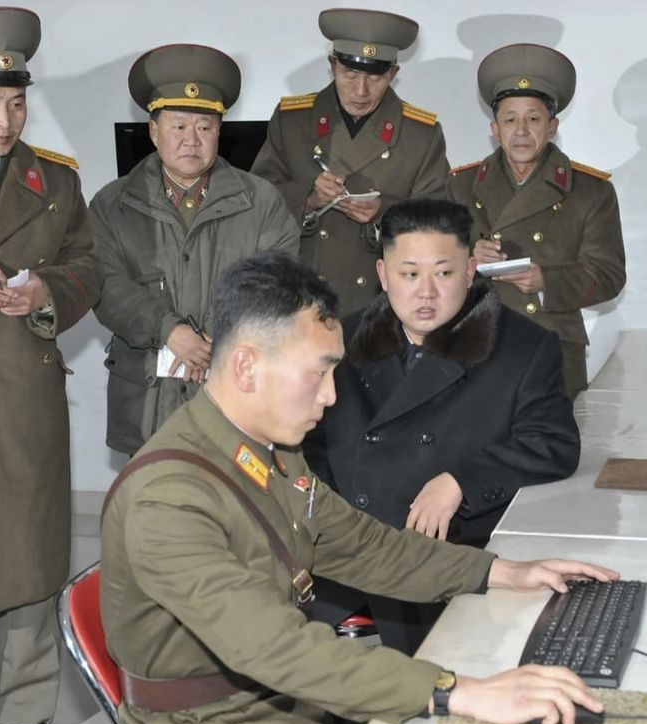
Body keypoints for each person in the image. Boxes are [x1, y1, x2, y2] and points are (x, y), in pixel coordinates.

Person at [100, 253, 616, 724]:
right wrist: (457, 693)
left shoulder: (269, 452)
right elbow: (274, 646)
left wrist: (499, 572)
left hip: (288, 708)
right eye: (319, 372)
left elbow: (364, 546)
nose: (330, 395)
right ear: (247, 367)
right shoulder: (168, 498)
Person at [304, 198, 581, 654]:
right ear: (382, 275)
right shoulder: (341, 341)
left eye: (444, 273)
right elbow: (305, 443)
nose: (426, 293)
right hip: (343, 568)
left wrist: (461, 481)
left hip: (446, 572)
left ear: (471, 271)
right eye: (410, 274)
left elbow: (553, 443)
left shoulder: (523, 347)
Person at [0, 7, 103, 724]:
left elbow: (88, 267)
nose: (5, 120)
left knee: (29, 550)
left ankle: (26, 702)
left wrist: (47, 291)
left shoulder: (55, 180)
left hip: (24, 392)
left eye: (16, 103)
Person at [91, 44, 299, 454]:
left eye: (204, 127)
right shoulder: (112, 205)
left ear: (220, 130)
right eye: (178, 126)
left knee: (237, 493)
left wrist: (220, 337)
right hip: (148, 400)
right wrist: (168, 330)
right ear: (153, 131)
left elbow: (281, 280)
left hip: (235, 394)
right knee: (152, 492)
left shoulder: (261, 201)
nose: (192, 140)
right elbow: (103, 283)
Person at [447, 44, 626, 400]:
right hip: (476, 344)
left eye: (533, 119)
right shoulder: (461, 185)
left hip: (551, 347)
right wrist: (467, 258)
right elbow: (429, 267)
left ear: (552, 126)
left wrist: (547, 280)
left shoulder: (589, 191)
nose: (521, 131)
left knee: (551, 435)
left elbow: (609, 275)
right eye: (510, 120)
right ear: (494, 129)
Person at [252, 7, 448, 314]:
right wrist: (308, 198)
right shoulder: (293, 120)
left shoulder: (420, 134)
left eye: (375, 78)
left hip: (379, 306)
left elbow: (440, 224)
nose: (361, 91)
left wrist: (383, 213)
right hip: (298, 299)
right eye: (350, 75)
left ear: (393, 74)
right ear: (332, 65)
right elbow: (255, 202)